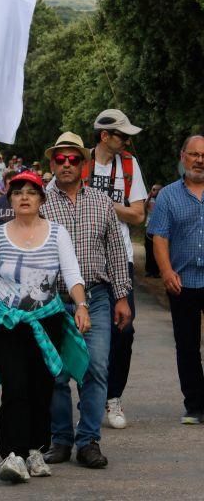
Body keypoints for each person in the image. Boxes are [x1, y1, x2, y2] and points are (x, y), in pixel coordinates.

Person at [0, 171, 90, 483]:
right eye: (18, 192)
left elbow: (72, 274)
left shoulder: (57, 234)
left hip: (48, 322)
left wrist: (81, 305)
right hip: (9, 323)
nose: (25, 197)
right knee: (15, 387)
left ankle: (34, 450)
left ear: (41, 199)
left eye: (31, 192)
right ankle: (12, 455)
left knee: (42, 389)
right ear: (10, 198)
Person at [40, 132, 131, 468]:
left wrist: (121, 296)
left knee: (95, 368)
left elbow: (116, 253)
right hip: (53, 301)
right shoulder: (40, 203)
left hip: (96, 298)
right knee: (58, 373)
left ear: (84, 163)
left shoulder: (102, 202)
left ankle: (89, 440)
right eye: (60, 159)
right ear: (52, 163)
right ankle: (61, 440)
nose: (66, 164)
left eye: (73, 159)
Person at [83, 109, 146, 429]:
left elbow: (138, 215)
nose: (126, 141)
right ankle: (88, 393)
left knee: (125, 330)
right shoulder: (79, 163)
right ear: (104, 136)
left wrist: (104, 205)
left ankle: (113, 396)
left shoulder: (129, 166)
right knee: (84, 331)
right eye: (122, 135)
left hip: (120, 258)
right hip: (84, 259)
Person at [149, 135, 204, 424]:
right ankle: (194, 405)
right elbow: (160, 236)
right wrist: (166, 271)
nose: (199, 160)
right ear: (183, 157)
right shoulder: (168, 195)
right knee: (187, 345)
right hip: (182, 281)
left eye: (203, 155)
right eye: (193, 154)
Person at [144, 184, 163, 277]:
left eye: (155, 189)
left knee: (157, 250)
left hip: (158, 228)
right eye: (153, 189)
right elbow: (143, 208)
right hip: (148, 227)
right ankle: (149, 270)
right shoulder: (149, 199)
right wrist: (149, 197)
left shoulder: (163, 199)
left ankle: (156, 271)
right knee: (148, 249)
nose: (153, 191)